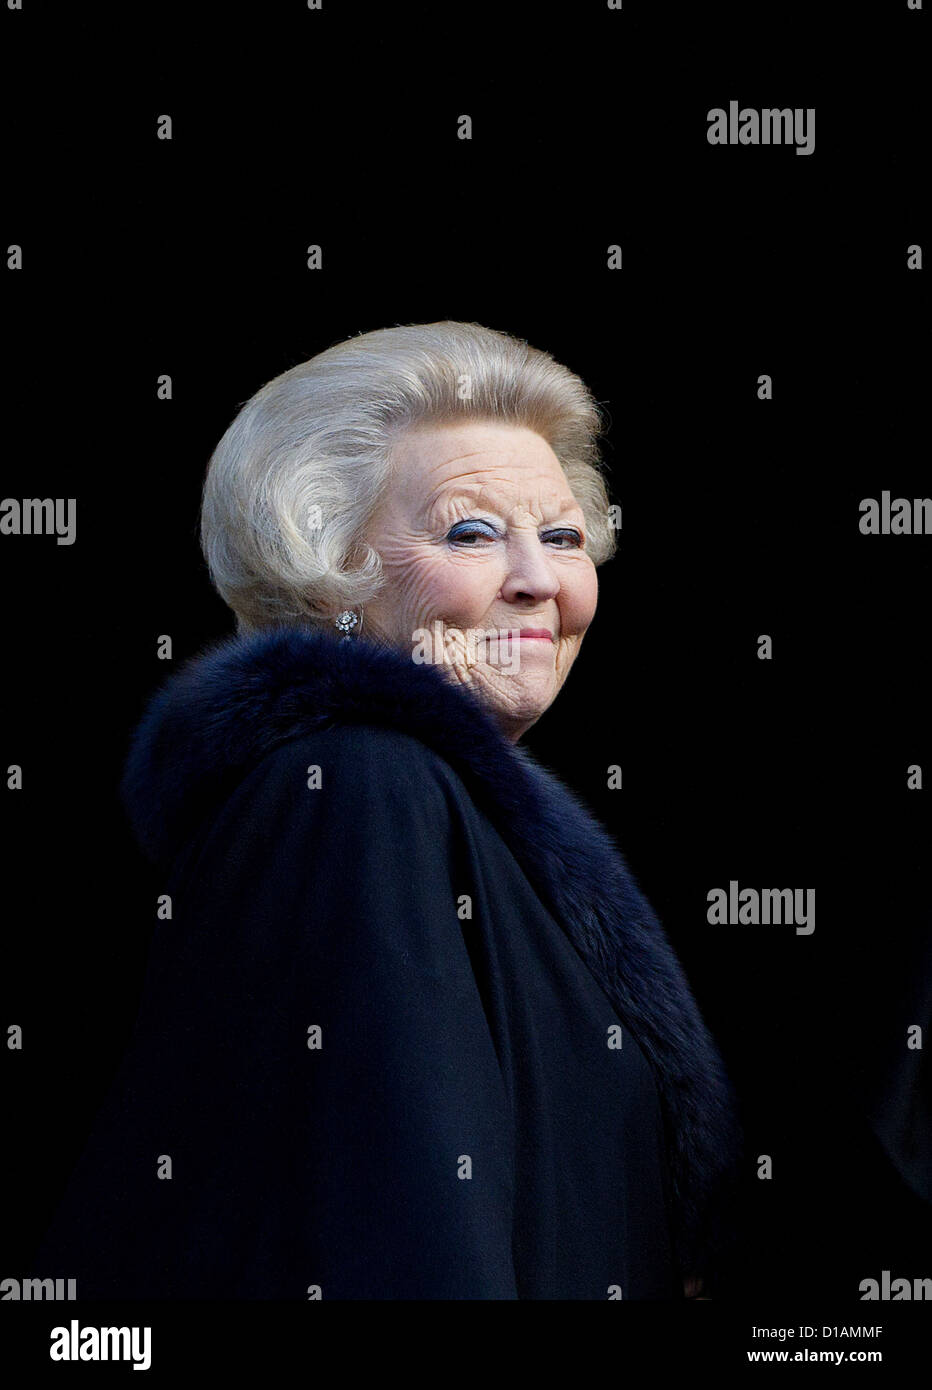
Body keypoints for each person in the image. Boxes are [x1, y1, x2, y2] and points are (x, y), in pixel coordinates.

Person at [31, 320, 742, 1299]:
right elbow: (394, 1234)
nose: (538, 580)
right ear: (331, 577)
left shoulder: (447, 816)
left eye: (563, 536)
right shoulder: (355, 783)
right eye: (469, 532)